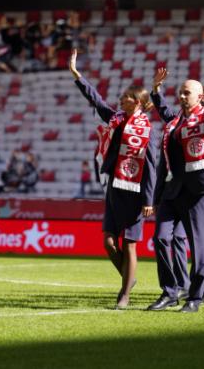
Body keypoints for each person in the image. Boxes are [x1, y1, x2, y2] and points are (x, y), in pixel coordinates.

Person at [147, 63, 204, 313]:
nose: (182, 96)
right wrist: (156, 90)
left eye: (187, 92)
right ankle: (170, 291)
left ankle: (195, 298)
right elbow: (163, 109)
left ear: (200, 97)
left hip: (199, 190)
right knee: (160, 238)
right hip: (173, 190)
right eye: (180, 92)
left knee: (199, 246)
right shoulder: (175, 121)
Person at [70, 49, 157, 309]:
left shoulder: (147, 131)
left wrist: (149, 200)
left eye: (126, 97)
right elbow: (96, 100)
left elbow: (151, 167)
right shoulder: (116, 120)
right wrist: (77, 75)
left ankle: (124, 295)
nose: (120, 99)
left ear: (137, 103)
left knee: (129, 245)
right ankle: (128, 280)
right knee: (109, 242)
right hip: (114, 188)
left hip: (135, 192)